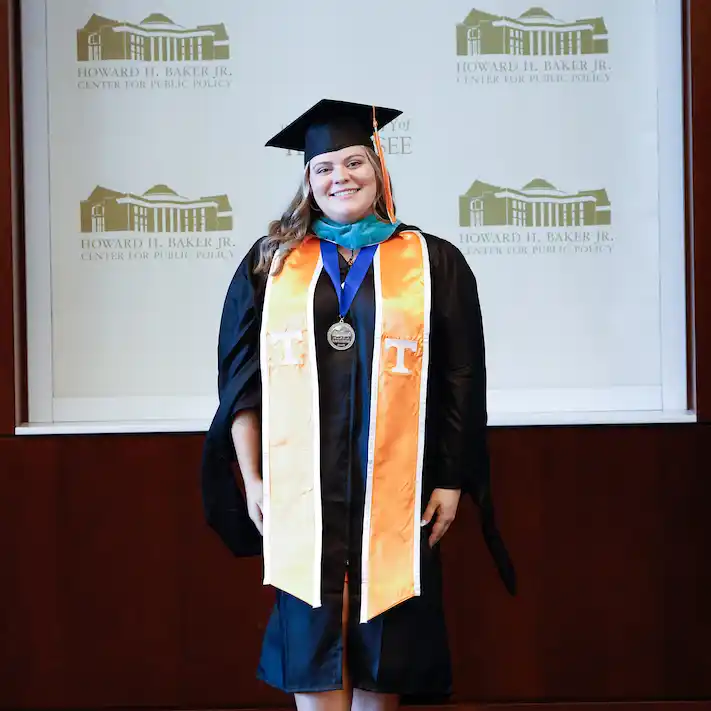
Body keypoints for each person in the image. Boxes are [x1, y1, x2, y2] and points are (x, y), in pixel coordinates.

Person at [201, 99, 515, 711]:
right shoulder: (272, 263)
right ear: (309, 182)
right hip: (302, 486)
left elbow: (459, 376)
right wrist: (255, 477)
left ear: (379, 171)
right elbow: (241, 380)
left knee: (386, 639)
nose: (340, 177)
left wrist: (450, 478)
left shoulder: (430, 261)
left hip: (395, 486)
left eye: (354, 162)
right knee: (315, 636)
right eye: (324, 168)